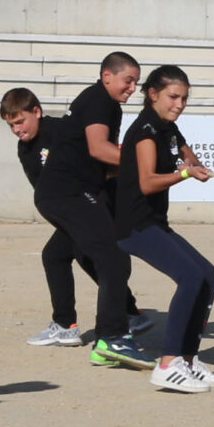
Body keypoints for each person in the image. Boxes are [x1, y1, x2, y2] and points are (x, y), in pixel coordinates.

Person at [0, 87, 151, 347]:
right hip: (72, 206)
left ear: (37, 111)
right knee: (58, 255)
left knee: (83, 256)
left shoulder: (62, 131)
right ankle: (120, 315)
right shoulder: (24, 149)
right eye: (11, 125)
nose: (17, 129)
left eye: (20, 121)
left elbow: (99, 160)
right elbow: (44, 187)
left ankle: (81, 324)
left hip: (95, 201)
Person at [115, 64, 214, 395]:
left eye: (185, 98)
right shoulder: (145, 131)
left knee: (207, 274)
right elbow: (147, 183)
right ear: (153, 95)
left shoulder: (168, 129)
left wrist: (193, 164)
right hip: (134, 226)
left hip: (154, 223)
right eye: (173, 97)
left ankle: (187, 359)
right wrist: (186, 174)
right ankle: (166, 364)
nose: (179, 104)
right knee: (190, 277)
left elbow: (186, 155)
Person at [64, 51, 150, 371]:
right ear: (107, 76)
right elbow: (99, 149)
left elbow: (106, 163)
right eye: (128, 81)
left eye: (136, 83)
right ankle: (110, 336)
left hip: (82, 190)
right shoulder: (99, 100)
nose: (132, 88)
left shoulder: (109, 104)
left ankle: (112, 321)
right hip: (72, 192)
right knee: (113, 258)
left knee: (66, 253)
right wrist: (142, 158)